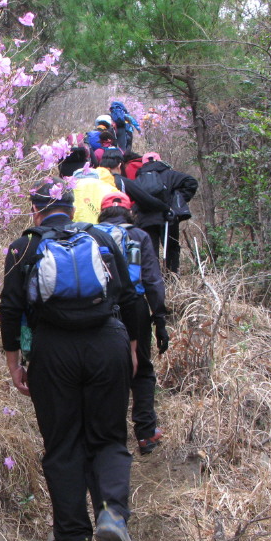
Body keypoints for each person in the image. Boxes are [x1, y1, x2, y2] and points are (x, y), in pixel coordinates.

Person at [0, 179, 140, 541]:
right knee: (109, 437)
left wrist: (15, 364)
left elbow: (9, 310)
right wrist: (130, 350)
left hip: (53, 352)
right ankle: (112, 515)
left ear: (36, 211)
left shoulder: (22, 247)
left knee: (63, 445)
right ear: (74, 209)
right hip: (107, 343)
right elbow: (130, 298)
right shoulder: (100, 237)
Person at [97, 191, 168, 453]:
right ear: (130, 212)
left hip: (102, 309)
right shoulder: (140, 237)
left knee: (105, 369)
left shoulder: (92, 234)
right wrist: (159, 319)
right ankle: (146, 433)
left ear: (102, 213)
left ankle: (109, 437)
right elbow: (152, 280)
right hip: (135, 307)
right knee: (143, 369)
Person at [131, 153, 199, 273]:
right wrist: (177, 200)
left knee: (150, 250)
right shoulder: (169, 174)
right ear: (159, 160)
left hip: (145, 219)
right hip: (168, 217)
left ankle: (154, 278)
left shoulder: (138, 179)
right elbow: (191, 182)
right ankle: (171, 276)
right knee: (171, 248)